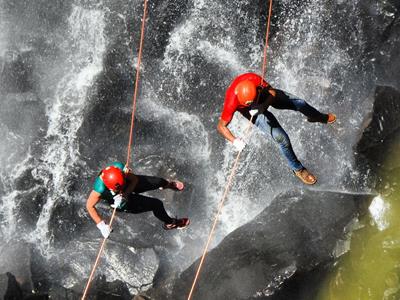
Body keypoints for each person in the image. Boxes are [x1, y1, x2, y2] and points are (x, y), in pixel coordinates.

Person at [217, 72, 336, 185]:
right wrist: (234, 141)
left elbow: (272, 92)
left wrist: (263, 106)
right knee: (282, 139)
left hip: (264, 96)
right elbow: (221, 126)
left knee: (300, 103)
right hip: (252, 112)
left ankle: (317, 116)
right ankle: (298, 169)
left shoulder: (254, 79)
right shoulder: (231, 101)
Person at [86, 161, 190, 238]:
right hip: (119, 202)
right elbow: (89, 206)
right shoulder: (99, 189)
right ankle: (170, 223)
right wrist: (101, 225)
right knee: (156, 204)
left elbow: (134, 179)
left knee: (159, 181)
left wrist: (125, 193)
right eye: (119, 188)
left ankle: (167, 185)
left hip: (129, 187)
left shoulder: (119, 169)